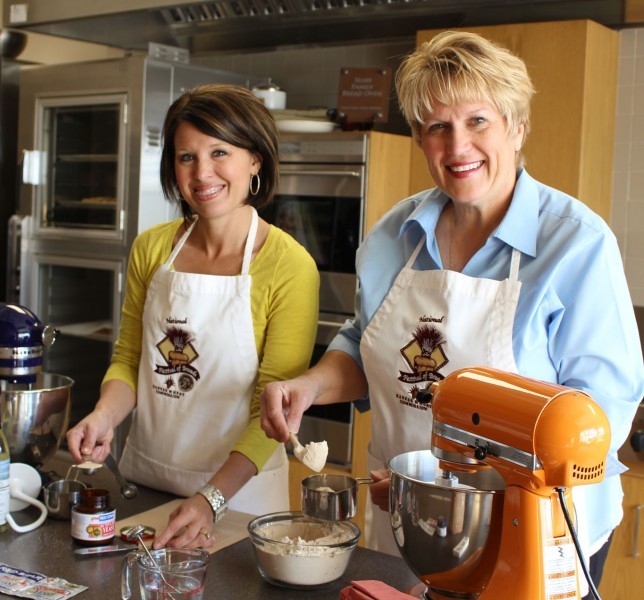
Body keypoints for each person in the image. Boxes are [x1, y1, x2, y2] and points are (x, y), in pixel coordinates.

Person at [260, 31, 643, 598]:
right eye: (437, 126)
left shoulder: (576, 246)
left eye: (478, 121)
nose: (458, 145)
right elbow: (367, 344)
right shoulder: (395, 234)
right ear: (419, 138)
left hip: (536, 535)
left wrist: (449, 486)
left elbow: (598, 419)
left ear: (517, 126)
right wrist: (311, 386)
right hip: (410, 527)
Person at [67, 84, 319, 550]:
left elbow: (275, 409)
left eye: (220, 151)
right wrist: (104, 416)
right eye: (186, 157)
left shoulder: (289, 265)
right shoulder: (153, 248)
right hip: (146, 484)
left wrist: (211, 499)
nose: (203, 173)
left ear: (255, 160)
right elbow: (130, 359)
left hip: (239, 502)